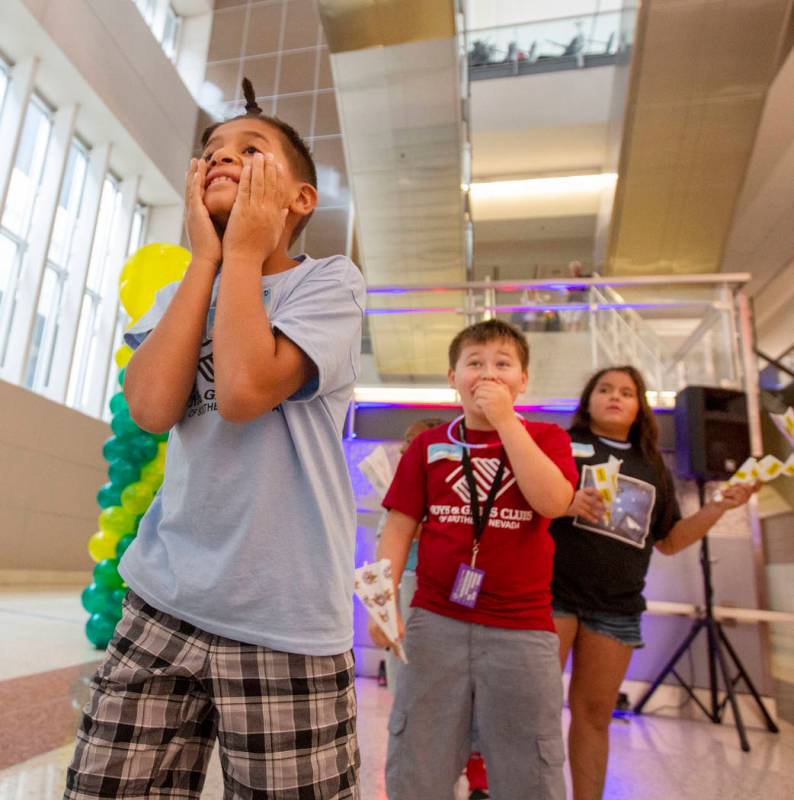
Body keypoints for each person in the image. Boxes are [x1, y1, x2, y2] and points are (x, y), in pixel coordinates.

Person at [64, 78, 365, 799]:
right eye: (211, 151)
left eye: (251, 150)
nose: (223, 157)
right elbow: (150, 409)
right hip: (161, 596)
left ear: (299, 201)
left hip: (283, 620)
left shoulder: (329, 283)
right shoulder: (180, 293)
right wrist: (206, 261)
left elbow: (241, 392)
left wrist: (244, 258)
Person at [372, 318, 578, 800]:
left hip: (522, 629)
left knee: (529, 762)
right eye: (475, 363)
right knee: (419, 755)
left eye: (503, 364)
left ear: (523, 380)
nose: (488, 374)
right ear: (452, 378)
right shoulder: (427, 445)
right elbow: (398, 529)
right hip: (435, 620)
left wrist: (506, 422)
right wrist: (381, 606)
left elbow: (552, 501)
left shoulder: (547, 438)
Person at [549, 366, 760, 800]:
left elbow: (668, 541)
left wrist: (720, 505)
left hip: (617, 608)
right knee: (532, 709)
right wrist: (567, 504)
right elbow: (532, 508)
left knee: (594, 716)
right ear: (587, 401)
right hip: (551, 597)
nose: (614, 397)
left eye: (626, 392)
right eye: (604, 389)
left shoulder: (654, 467)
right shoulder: (560, 448)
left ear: (638, 406)